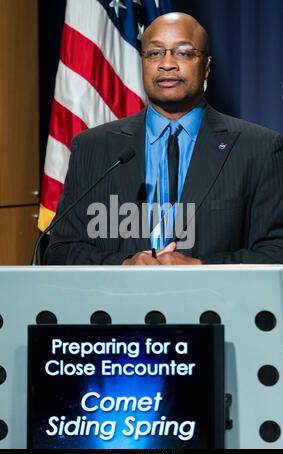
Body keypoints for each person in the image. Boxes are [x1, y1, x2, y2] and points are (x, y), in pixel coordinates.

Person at [44, 12, 283, 266]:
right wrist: (124, 265)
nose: (167, 64)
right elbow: (59, 251)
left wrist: (200, 266)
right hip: (119, 302)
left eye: (183, 53)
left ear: (207, 66)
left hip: (213, 303)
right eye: (154, 53)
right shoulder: (93, 148)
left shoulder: (258, 148)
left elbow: (276, 250)